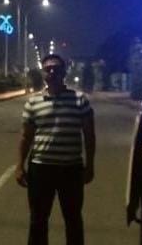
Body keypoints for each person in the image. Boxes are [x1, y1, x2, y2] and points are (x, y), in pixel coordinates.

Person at [16, 54, 95, 245]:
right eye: (48, 69)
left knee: (73, 219)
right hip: (40, 169)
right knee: (38, 220)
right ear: (43, 73)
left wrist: (90, 166)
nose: (52, 71)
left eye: (57, 68)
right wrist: (19, 166)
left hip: (71, 169)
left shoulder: (79, 100)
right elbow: (26, 137)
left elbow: (89, 136)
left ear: (64, 72)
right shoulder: (33, 102)